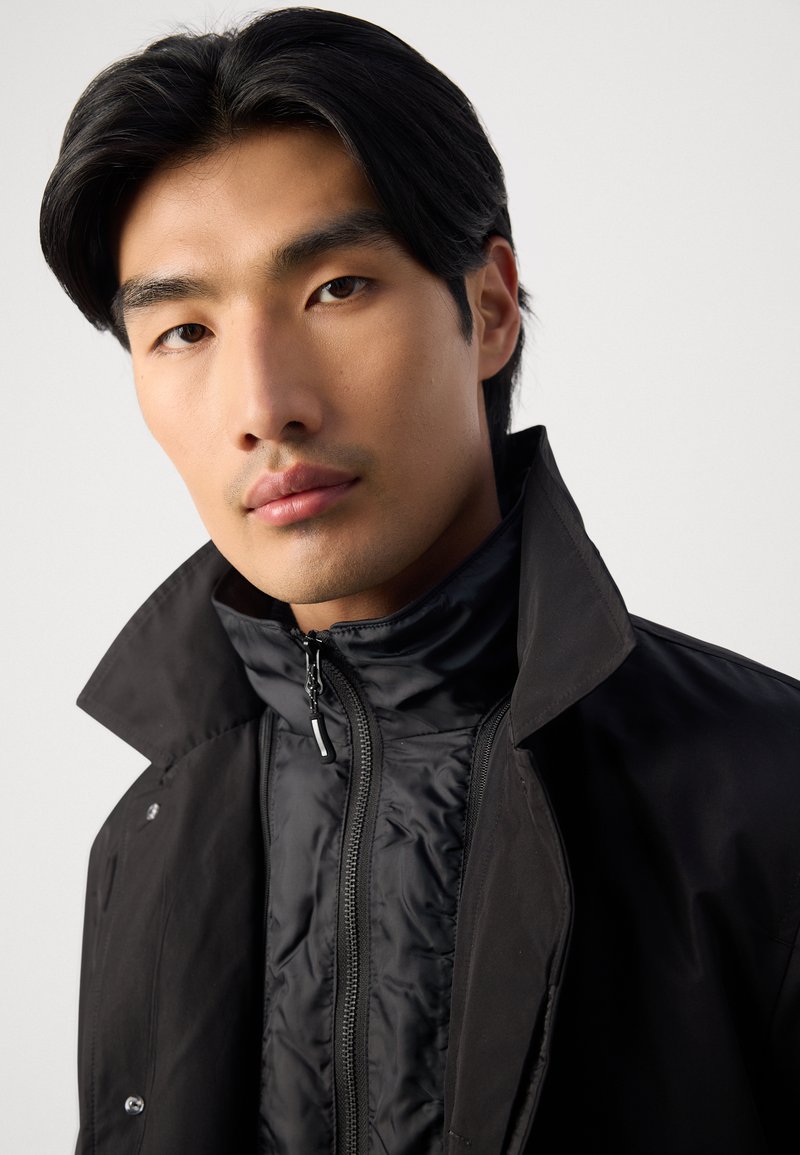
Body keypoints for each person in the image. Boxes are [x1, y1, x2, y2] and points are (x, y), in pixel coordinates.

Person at [40, 8, 799, 1154]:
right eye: (184, 331)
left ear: (486, 309)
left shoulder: (765, 795)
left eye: (335, 288)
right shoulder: (145, 840)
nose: (264, 407)